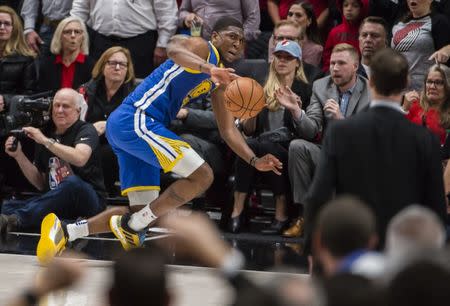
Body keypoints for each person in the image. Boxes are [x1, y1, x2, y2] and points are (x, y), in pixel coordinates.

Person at [36, 17, 282, 263]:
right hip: (137, 119)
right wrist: (209, 68)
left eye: (241, 40)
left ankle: (66, 231)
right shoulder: (202, 48)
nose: (237, 43)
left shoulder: (219, 82)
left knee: (142, 212)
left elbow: (228, 131)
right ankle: (133, 225)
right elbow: (174, 49)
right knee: (202, 176)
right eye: (232, 36)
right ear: (215, 36)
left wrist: (254, 160)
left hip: (133, 129)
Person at [304, 48, 447, 249]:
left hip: (353, 245)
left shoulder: (340, 132)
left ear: (370, 82)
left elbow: (317, 196)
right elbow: (436, 208)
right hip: (403, 248)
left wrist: (312, 251)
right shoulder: (425, 139)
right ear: (406, 82)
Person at [282, 43, 370, 238]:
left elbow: (369, 137)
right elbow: (311, 130)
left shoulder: (370, 91)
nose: (335, 68)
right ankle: (306, 215)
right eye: (332, 63)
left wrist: (341, 121)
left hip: (359, 156)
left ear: (355, 66)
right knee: (298, 146)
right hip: (327, 152)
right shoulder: (321, 86)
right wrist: (297, 112)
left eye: (341, 63)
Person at [229, 40, 312, 235]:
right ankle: (237, 209)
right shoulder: (262, 87)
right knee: (248, 145)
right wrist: (249, 113)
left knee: (266, 146)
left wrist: (296, 109)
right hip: (260, 143)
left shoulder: (305, 90)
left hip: (289, 147)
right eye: (279, 56)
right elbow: (250, 130)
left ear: (297, 62)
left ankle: (281, 210)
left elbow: (307, 131)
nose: (282, 61)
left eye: (288, 57)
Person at [0, 88, 106, 235]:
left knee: (72, 183)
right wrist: (19, 156)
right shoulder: (46, 132)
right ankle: (59, 221)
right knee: (6, 207)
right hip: (55, 198)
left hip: (87, 199)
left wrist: (45, 141)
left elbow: (80, 158)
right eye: (56, 105)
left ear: (78, 110)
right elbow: (41, 183)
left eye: (66, 106)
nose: (60, 110)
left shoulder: (86, 130)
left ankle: (19, 220)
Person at [79, 46, 136, 196]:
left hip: (122, 145)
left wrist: (109, 126)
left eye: (122, 64)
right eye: (112, 63)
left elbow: (137, 125)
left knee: (108, 152)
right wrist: (90, 130)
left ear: (127, 69)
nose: (117, 68)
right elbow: (76, 123)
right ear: (103, 66)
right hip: (90, 141)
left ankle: (101, 193)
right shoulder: (86, 91)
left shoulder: (136, 94)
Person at [71, 0, 178, 78]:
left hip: (140, 43)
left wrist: (163, 44)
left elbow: (167, 12)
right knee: (98, 83)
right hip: (101, 41)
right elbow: (79, 9)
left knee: (137, 88)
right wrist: (74, 34)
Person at [0, 5, 37, 194]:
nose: (2, 27)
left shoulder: (26, 59)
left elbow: (29, 94)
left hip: (9, 117)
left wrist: (5, 100)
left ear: (14, 29)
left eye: (7, 24)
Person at [391, 0, 450, 90]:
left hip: (425, 90)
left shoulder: (439, 21)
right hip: (398, 90)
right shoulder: (399, 23)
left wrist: (446, 50)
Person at [37, 16, 95, 93]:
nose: (73, 36)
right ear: (60, 36)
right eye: (68, 32)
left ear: (83, 37)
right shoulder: (47, 64)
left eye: (77, 32)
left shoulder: (92, 66)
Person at [402, 64, 450, 146]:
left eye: (438, 83)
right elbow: (395, 134)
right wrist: (404, 109)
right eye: (429, 81)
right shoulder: (413, 102)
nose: (432, 86)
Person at [178, 0, 261, 42]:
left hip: (229, 49)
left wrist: (236, 40)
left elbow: (253, 17)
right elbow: (182, 12)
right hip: (199, 47)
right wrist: (186, 17)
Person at [322, 0, 369, 72]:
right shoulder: (335, 32)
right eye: (345, 5)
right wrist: (329, 70)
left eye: (355, 6)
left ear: (362, 9)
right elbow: (327, 55)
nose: (349, 9)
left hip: (361, 72)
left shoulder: (367, 32)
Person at [286, 1, 323, 67]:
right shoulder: (276, 38)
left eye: (298, 15)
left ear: (309, 21)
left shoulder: (316, 50)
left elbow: (306, 74)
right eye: (290, 14)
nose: (292, 19)